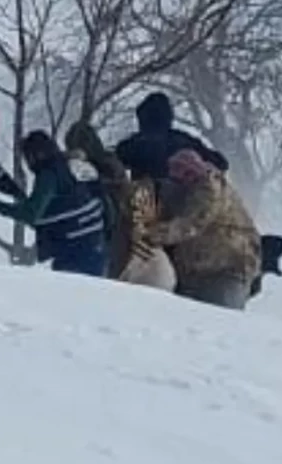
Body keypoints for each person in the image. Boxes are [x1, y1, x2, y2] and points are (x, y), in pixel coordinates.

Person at [145, 149, 261, 310]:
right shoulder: (183, 191)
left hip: (226, 272)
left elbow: (192, 223)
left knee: (219, 321)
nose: (183, 178)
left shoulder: (210, 187)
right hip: (195, 275)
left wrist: (147, 235)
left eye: (186, 172)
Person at [64, 121, 175, 290]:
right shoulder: (82, 166)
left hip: (118, 223)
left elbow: (117, 186)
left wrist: (94, 179)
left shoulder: (107, 162)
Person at [0, 131, 108, 276]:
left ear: (36, 155)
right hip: (97, 246)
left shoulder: (48, 175)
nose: (28, 163)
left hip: (72, 253)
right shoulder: (71, 166)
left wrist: (0, 207)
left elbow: (32, 214)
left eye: (28, 157)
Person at [115, 92, 228, 180]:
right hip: (186, 200)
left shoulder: (132, 145)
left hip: (145, 201)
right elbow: (221, 163)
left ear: (142, 119)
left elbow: (113, 162)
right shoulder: (184, 140)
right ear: (169, 116)